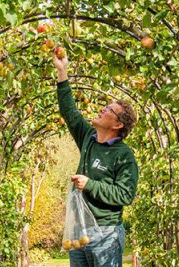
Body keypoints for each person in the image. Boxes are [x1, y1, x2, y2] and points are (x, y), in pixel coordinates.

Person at [51, 48, 139, 267]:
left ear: (118, 124)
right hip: (79, 228)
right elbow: (69, 112)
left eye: (109, 109)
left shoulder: (124, 156)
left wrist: (89, 185)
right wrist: (62, 72)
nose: (103, 108)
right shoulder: (88, 139)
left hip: (106, 232)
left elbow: (125, 195)